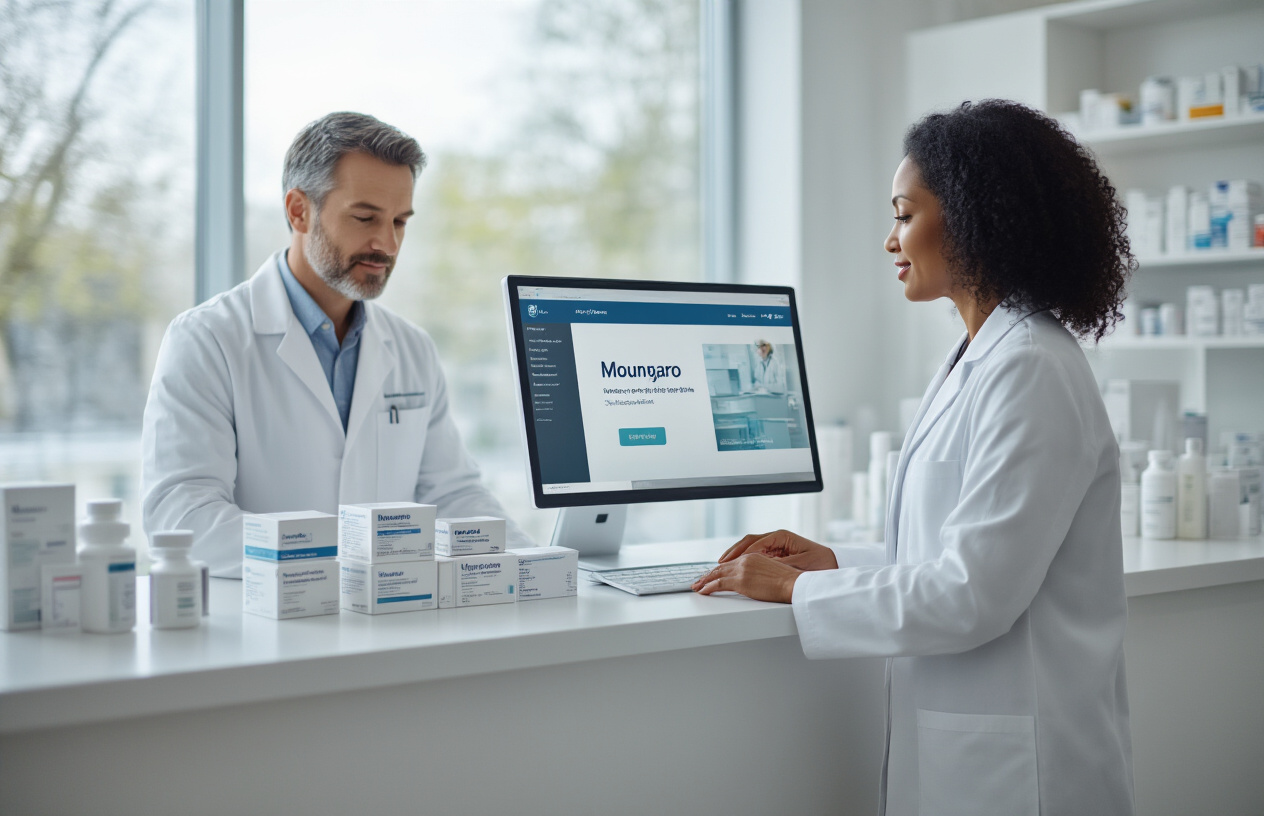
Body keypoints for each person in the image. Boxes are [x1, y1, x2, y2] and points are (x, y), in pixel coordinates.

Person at [693, 100, 1135, 816]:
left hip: (1028, 773)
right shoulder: (979, 355)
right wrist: (835, 563)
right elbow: (954, 549)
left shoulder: (1029, 367)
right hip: (981, 751)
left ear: (973, 216)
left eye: (905, 213)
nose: (890, 239)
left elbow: (971, 595)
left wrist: (795, 591)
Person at [142, 112, 529, 577]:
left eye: (400, 221)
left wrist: (534, 562)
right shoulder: (206, 341)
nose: (386, 243)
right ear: (298, 211)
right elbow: (184, 518)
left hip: (390, 622)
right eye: (365, 217)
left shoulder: (411, 349)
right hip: (264, 628)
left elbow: (452, 495)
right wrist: (348, 560)